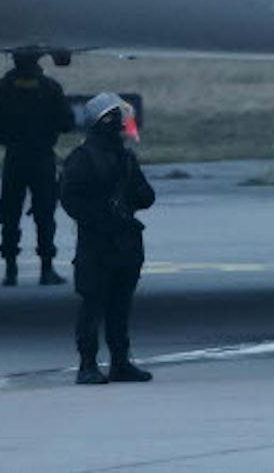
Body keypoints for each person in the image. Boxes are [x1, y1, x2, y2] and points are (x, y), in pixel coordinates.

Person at [61, 92, 156, 385]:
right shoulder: (83, 159)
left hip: (121, 242)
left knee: (118, 306)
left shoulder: (124, 158)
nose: (119, 125)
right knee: (94, 305)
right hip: (99, 244)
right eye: (113, 119)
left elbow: (146, 196)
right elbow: (70, 200)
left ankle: (119, 362)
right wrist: (102, 218)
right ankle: (88, 365)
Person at [0, 51, 70, 287]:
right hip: (41, 157)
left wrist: (12, 140)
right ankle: (46, 269)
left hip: (15, 158)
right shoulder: (50, 88)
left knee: (10, 214)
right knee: (45, 215)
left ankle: (11, 270)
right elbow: (67, 122)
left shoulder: (4, 89)